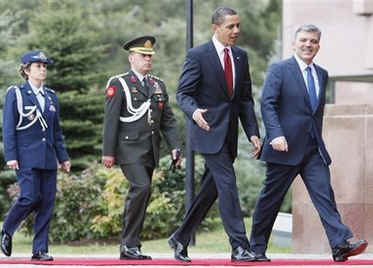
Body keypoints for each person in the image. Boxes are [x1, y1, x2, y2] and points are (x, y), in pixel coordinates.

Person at [249, 24, 368, 262]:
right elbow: (267, 104)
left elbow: (313, 113)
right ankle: (256, 248)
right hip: (284, 148)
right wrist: (276, 135)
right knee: (270, 200)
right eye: (303, 40)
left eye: (313, 41)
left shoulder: (322, 74)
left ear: (318, 46)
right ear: (294, 43)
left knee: (325, 196)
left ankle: (340, 244)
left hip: (313, 149)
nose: (308, 45)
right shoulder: (280, 70)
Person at [169, 7, 261, 263]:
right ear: (215, 28)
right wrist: (194, 111)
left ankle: (180, 237)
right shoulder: (198, 55)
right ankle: (239, 246)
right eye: (230, 27)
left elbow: (244, 100)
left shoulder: (241, 57)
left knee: (211, 190)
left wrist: (253, 132)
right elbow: (183, 94)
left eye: (238, 26)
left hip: (229, 135)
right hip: (207, 132)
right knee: (228, 184)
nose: (236, 31)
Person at [102, 36, 181, 260]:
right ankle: (128, 244)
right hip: (128, 148)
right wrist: (108, 152)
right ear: (131, 58)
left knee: (143, 194)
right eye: (143, 56)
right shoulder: (119, 83)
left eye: (150, 56)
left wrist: (175, 146)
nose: (148, 60)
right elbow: (111, 120)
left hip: (150, 149)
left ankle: (131, 246)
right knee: (141, 187)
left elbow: (168, 121)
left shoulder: (157, 85)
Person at [1, 50, 71, 261]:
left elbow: (55, 131)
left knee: (47, 203)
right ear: (26, 70)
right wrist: (11, 155)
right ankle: (7, 229)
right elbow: (9, 127)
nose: (43, 69)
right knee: (30, 197)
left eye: (44, 66)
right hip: (26, 157)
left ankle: (39, 250)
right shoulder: (17, 93)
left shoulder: (51, 96)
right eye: (38, 66)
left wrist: (63, 156)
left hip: (48, 158)